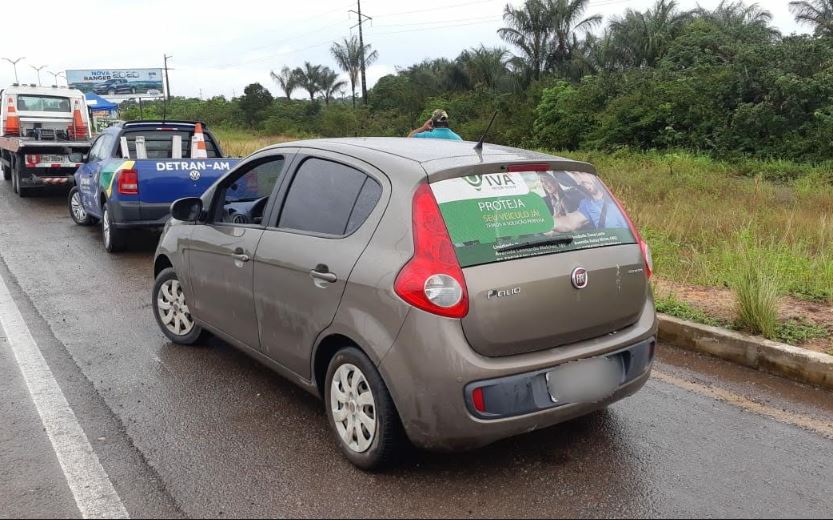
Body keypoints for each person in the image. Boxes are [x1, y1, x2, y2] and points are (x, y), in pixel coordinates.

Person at [553, 172, 628, 232]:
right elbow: (570, 222)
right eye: (574, 180)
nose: (579, 182)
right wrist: (546, 222)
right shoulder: (588, 204)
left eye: (575, 174)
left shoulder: (620, 190)